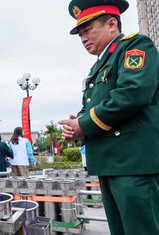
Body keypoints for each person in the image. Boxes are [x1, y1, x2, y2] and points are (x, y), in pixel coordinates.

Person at [59, 1, 159, 234]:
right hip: (111, 164)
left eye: (88, 30)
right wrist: (76, 126)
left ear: (112, 23)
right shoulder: (98, 66)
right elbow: (94, 106)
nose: (83, 38)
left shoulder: (135, 46)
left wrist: (83, 125)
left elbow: (132, 94)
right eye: (80, 34)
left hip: (133, 164)